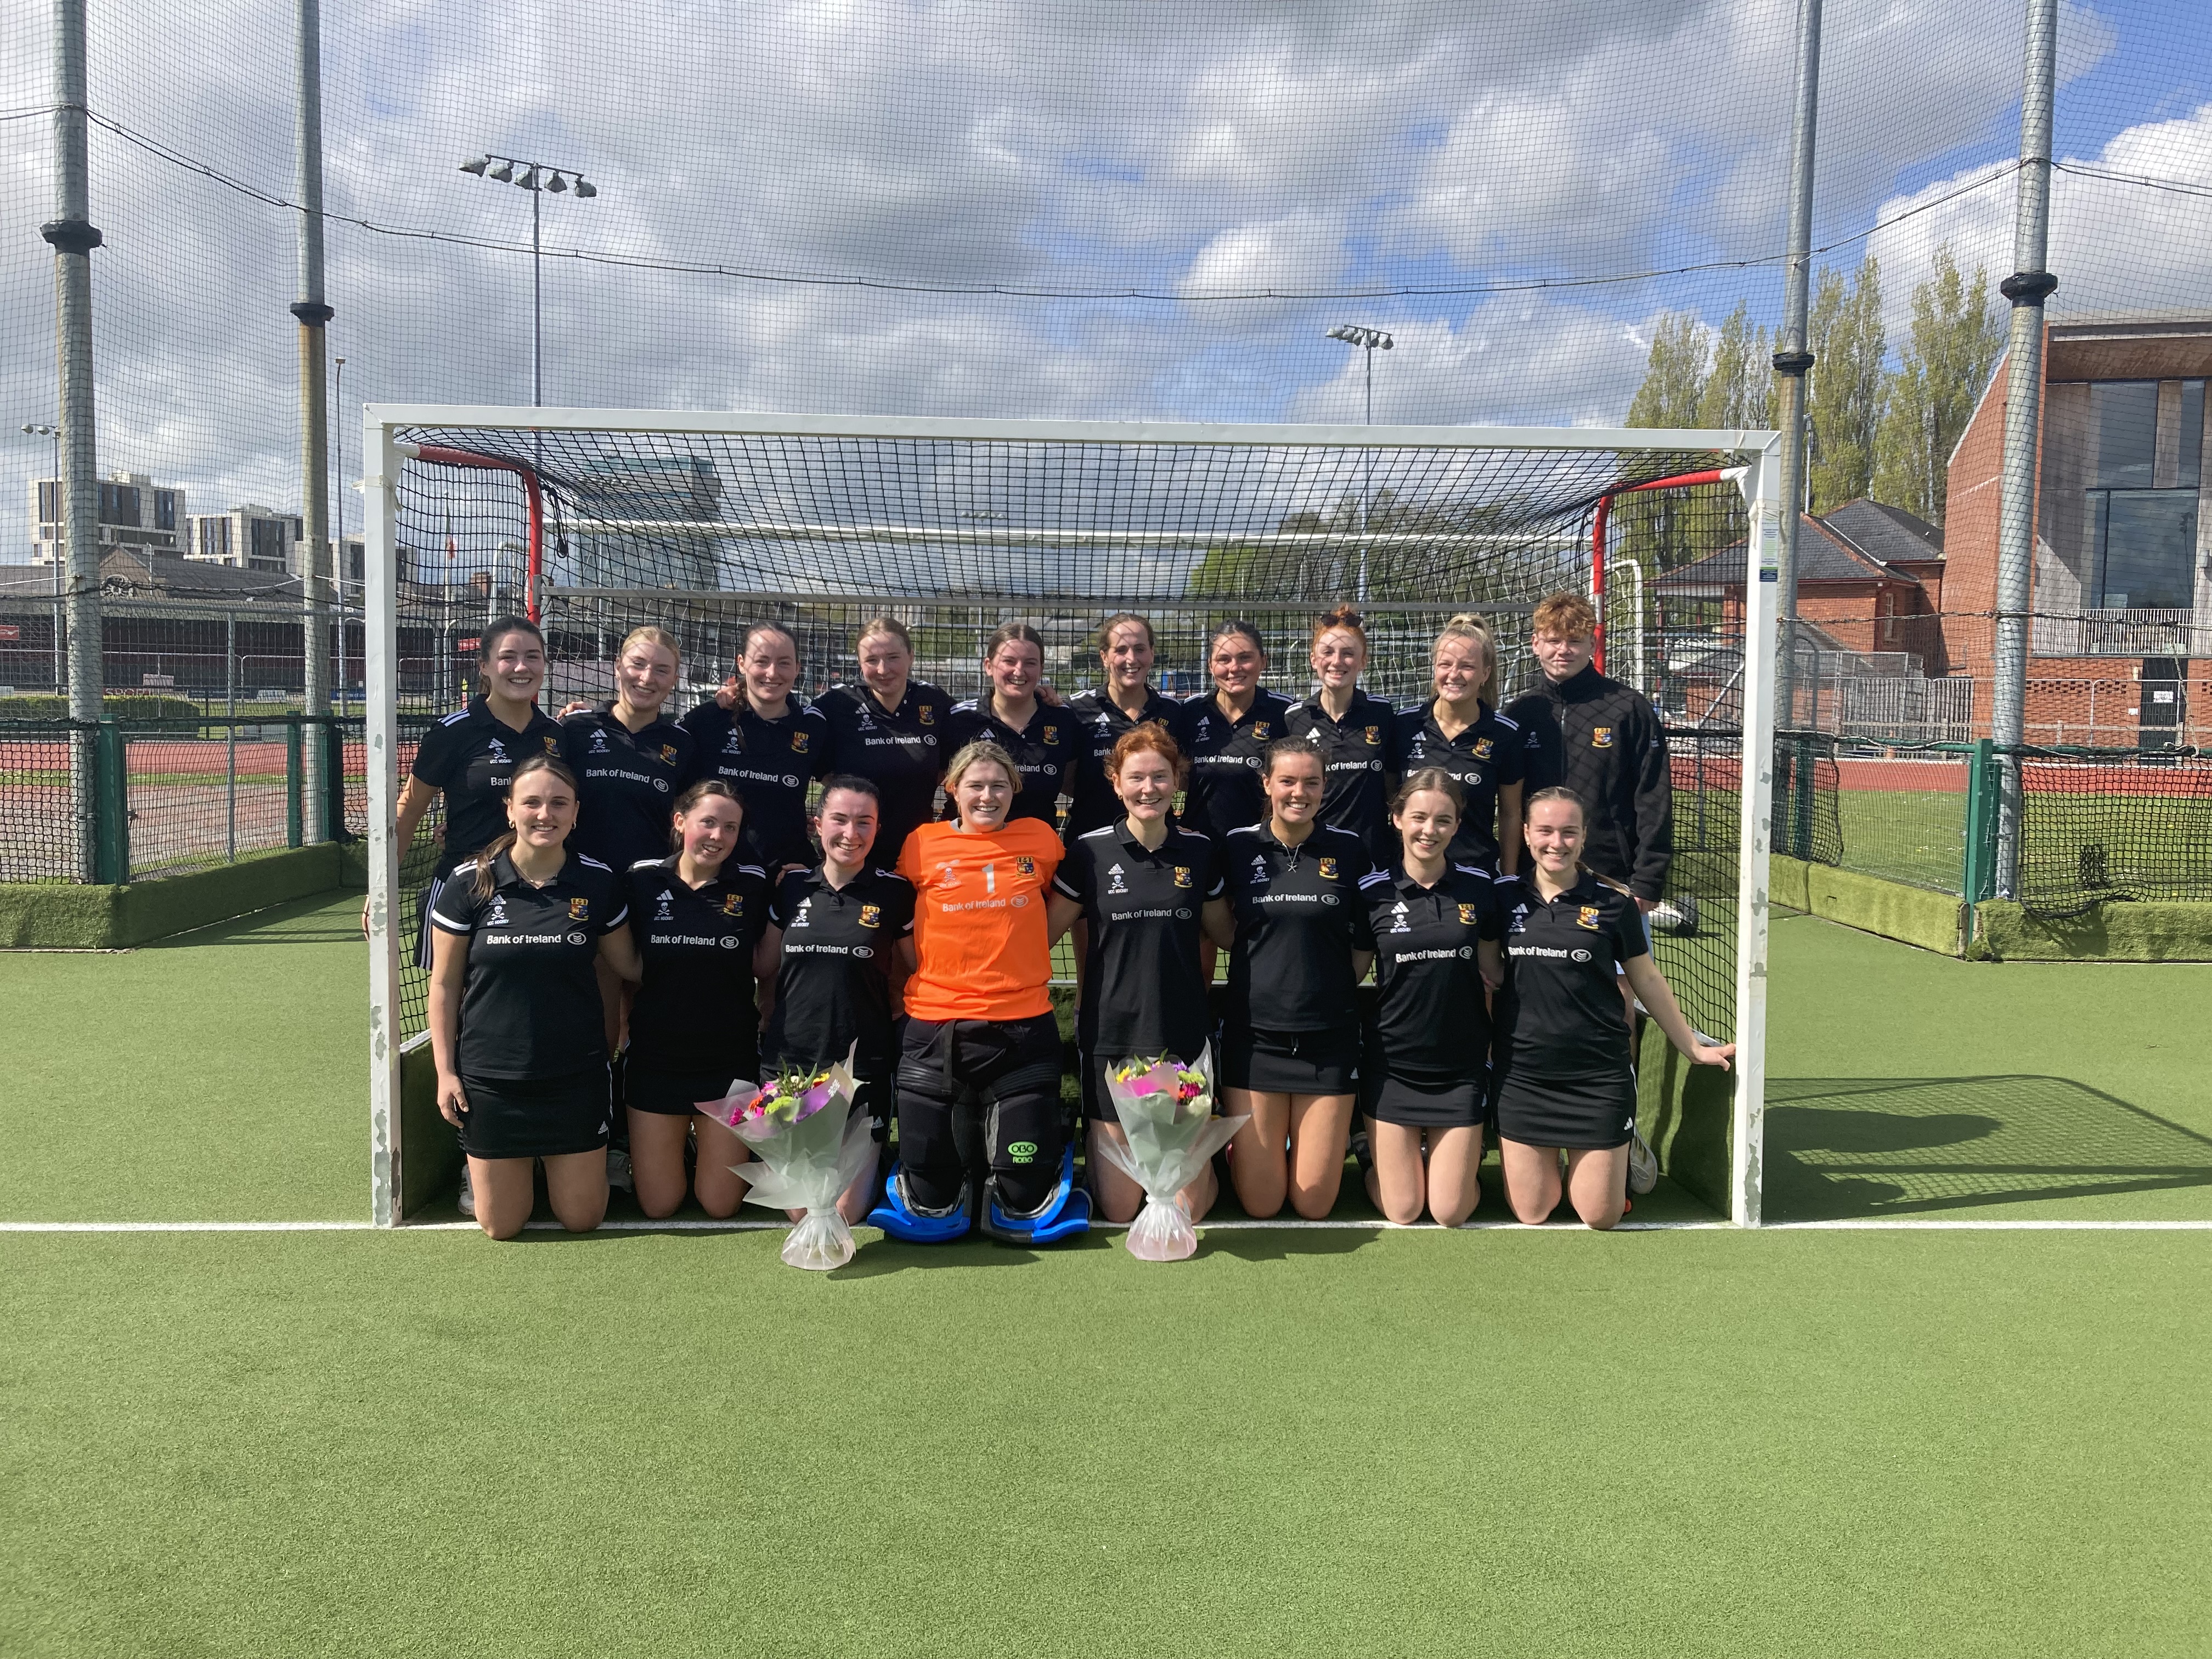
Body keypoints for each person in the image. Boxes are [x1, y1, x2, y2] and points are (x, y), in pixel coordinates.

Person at [869, 740, 1090, 1245]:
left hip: (1023, 1027)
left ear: (1015, 789)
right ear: (952, 789)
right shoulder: (921, 843)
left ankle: (1028, 1175)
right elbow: (898, 916)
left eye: (998, 786)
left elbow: (1069, 901)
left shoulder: (1041, 839)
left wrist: (1030, 948)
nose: (987, 796)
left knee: (1023, 1194)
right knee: (931, 1192)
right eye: (975, 786)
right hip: (935, 1026)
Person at [1493, 787, 1732, 1230]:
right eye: (1545, 831)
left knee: (1600, 1216)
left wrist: (1693, 1047)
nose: (1557, 843)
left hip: (1598, 1075)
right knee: (1533, 1211)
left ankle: (1618, 1149)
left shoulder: (1612, 902)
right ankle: (1576, 1160)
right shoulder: (1503, 899)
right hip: (1524, 1076)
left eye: (1569, 832)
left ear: (1584, 836)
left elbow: (1647, 980)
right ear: (1526, 834)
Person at [425, 754, 641, 1240]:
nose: (546, 814)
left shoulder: (598, 881)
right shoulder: (469, 882)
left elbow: (631, 966)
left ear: (576, 812)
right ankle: (508, 1166)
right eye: (532, 803)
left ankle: (556, 1164)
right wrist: (446, 1072)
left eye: (559, 803)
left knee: (582, 1219)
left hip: (575, 1076)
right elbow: (444, 985)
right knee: (501, 1226)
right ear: (510, 809)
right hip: (492, 1079)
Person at [1052, 725, 1229, 1225]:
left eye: (1160, 777)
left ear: (1177, 781)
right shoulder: (1088, 852)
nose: (1148, 788)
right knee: (1120, 1208)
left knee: (1187, 1210)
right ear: (1115, 783)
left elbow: (1228, 934)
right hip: (1112, 1035)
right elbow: (1040, 934)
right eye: (1136, 778)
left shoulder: (1199, 852)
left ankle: (1214, 1162)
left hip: (1181, 1033)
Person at [1217, 738, 1375, 1220]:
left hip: (1328, 1039)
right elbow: (1222, 930)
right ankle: (1233, 1155)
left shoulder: (1349, 849)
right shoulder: (1236, 846)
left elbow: (1363, 945)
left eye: (1311, 782)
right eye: (1287, 781)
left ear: (1325, 787)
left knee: (1314, 1203)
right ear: (1267, 783)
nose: (1299, 793)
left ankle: (1357, 1144)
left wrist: (1326, 990)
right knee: (1262, 1205)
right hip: (1254, 1038)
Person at [755, 775, 918, 1224]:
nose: (851, 833)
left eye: (864, 822)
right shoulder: (791, 887)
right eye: (840, 820)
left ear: (878, 828)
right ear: (817, 824)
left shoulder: (895, 892)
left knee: (843, 1213)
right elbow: (764, 965)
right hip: (791, 1062)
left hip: (863, 1067)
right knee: (801, 1212)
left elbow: (919, 966)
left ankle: (877, 1161)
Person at [619, 780, 775, 1221]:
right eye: (707, 823)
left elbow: (768, 965)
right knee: (659, 1205)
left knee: (720, 1205)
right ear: (679, 821)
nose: (717, 836)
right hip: (656, 1060)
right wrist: (624, 1030)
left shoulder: (753, 884)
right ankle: (682, 1146)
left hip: (729, 1062)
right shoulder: (642, 880)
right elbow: (625, 967)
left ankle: (705, 1146)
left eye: (730, 828)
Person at [1355, 770, 1504, 1229]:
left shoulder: (1480, 888)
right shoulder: (1372, 892)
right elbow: (1350, 973)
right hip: (1392, 1066)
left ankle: (1459, 1157)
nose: (1429, 830)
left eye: (1443, 820)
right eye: (1418, 817)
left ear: (1457, 825)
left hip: (1460, 1069)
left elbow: (1494, 972)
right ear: (1397, 818)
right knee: (1403, 1210)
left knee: (1449, 1212)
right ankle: (1369, 1151)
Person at [386, 617, 564, 966]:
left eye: (532, 656)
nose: (521, 667)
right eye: (508, 657)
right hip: (464, 887)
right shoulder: (453, 732)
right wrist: (381, 889)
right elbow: (409, 808)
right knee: (452, 992)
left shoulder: (558, 735)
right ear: (484, 666)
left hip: (539, 889)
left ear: (544, 664)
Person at [1503, 592, 1673, 918]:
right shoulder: (1519, 714)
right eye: (1554, 640)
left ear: (1592, 645)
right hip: (1533, 883)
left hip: (1611, 880)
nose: (1563, 650)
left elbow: (1654, 798)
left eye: (1574, 641)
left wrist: (1648, 879)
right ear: (1536, 644)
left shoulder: (1628, 708)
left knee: (1621, 957)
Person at [683, 622, 832, 873]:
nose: (772, 673)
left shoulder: (813, 725)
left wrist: (824, 831)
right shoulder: (707, 720)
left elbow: (839, 785)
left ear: (798, 668)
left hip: (785, 874)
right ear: (741, 664)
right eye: (762, 661)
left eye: (784, 663)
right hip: (716, 875)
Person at [811, 616, 953, 873]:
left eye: (893, 657)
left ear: (911, 656)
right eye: (872, 660)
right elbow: (788, 726)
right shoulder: (837, 704)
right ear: (860, 663)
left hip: (916, 853)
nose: (883, 669)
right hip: (851, 853)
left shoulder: (934, 702)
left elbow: (962, 753)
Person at [1394, 613, 1526, 874]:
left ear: (1485, 673)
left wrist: (1509, 878)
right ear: (1435, 668)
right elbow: (1389, 800)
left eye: (1467, 666)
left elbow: (1511, 815)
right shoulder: (1404, 726)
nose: (1454, 674)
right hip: (1408, 877)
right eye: (1446, 664)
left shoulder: (1505, 734)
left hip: (1475, 875)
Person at [561, 625, 696, 873]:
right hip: (579, 882)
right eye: (638, 664)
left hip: (649, 885)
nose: (647, 678)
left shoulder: (683, 744)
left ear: (674, 680)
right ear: (618, 666)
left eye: (662, 670)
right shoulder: (574, 728)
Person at [1283, 605, 1400, 870]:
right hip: (1314, 856)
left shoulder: (1382, 713)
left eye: (1348, 653)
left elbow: (1393, 783)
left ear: (1363, 661)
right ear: (1314, 660)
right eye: (1328, 652)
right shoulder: (1294, 718)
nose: (1337, 662)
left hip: (1373, 857)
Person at [943, 622, 1082, 828]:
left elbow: (1072, 783)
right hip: (967, 845)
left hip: (1037, 844)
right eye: (1009, 661)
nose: (1019, 671)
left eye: (1030, 663)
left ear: (1041, 669)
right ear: (988, 666)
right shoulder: (960, 718)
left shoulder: (1063, 720)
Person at [1169, 620, 1293, 845]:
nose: (1234, 668)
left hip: (1262, 849)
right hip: (1200, 846)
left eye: (1245, 658)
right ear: (1210, 665)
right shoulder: (1188, 712)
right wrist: (1170, 824)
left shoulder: (1285, 713)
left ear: (1263, 661)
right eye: (1224, 659)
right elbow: (1169, 776)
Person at [1064, 613, 1181, 842]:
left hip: (1157, 842)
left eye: (1140, 649)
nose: (1131, 659)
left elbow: (1183, 775)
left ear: (1152, 654)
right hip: (1090, 843)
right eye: (1121, 650)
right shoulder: (1076, 709)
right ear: (1104, 657)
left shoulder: (1174, 711)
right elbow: (1065, 779)